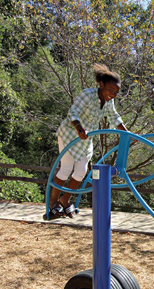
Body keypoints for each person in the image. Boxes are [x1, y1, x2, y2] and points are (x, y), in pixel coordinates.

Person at [48, 63, 131, 219]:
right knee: (66, 168)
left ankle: (65, 199)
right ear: (101, 85)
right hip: (70, 135)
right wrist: (79, 129)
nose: (113, 95)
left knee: (81, 171)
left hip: (85, 140)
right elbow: (73, 113)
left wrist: (127, 134)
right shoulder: (87, 95)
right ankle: (53, 203)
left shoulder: (109, 102)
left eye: (116, 92)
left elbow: (114, 117)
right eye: (110, 90)